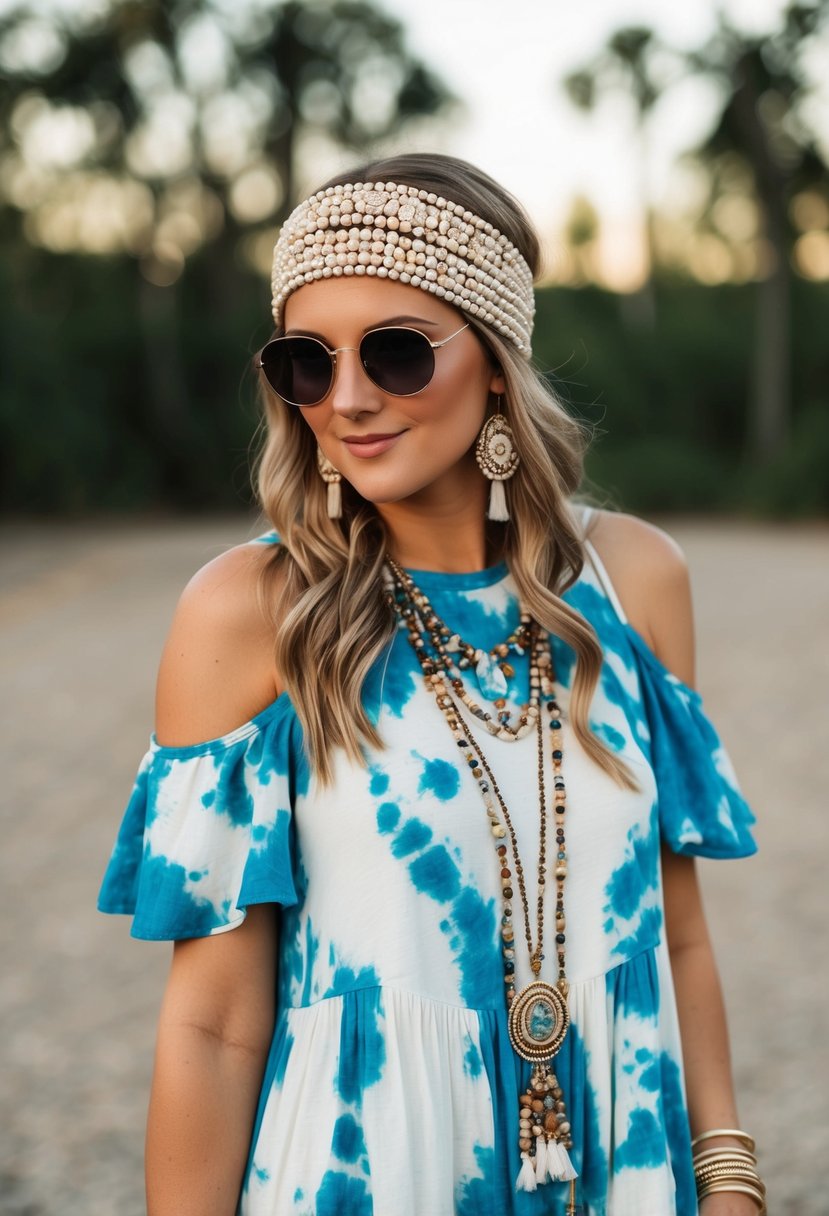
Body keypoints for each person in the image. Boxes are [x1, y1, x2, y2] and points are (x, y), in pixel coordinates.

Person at [98, 154, 764, 1216]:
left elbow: (675, 930)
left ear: (496, 362)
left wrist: (727, 1175)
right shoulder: (249, 611)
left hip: (623, 1169)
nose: (349, 398)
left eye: (397, 352)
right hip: (364, 1170)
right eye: (306, 363)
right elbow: (214, 1024)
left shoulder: (636, 583)